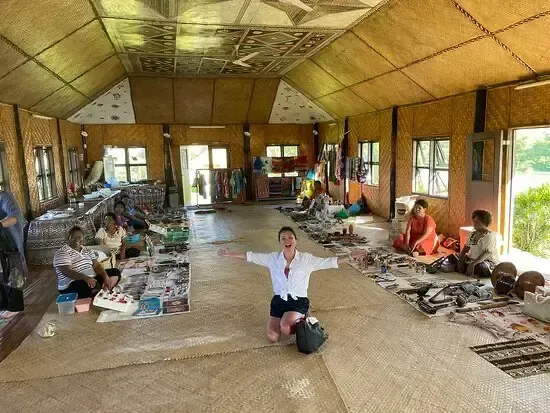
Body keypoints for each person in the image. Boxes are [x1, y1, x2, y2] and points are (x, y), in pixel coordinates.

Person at [218, 226, 365, 343]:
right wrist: (229, 255)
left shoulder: (306, 259)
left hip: (298, 301)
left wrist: (351, 256)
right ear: (280, 242)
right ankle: (286, 317)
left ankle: (302, 317)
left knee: (286, 329)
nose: (287, 240)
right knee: (272, 337)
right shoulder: (273, 259)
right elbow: (250, 256)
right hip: (279, 301)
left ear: (295, 240)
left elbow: (330, 262)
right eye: (283, 238)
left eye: (290, 237)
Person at [53, 226, 121, 298]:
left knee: (115, 272)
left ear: (83, 238)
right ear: (68, 239)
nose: (76, 239)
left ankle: (104, 291)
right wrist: (86, 278)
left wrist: (105, 277)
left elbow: (96, 266)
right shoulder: (62, 253)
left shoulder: (87, 250)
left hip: (92, 279)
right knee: (83, 286)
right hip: (72, 283)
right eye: (72, 237)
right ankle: (97, 293)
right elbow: (67, 272)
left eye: (79, 237)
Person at [0, 191, 27, 317]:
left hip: (7, 242)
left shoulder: (5, 197)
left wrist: (0, 224)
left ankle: (14, 307)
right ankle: (4, 304)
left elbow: (15, 216)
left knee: (12, 272)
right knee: (1, 274)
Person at [457, 210, 500, 278]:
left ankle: (469, 269)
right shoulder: (472, 234)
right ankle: (467, 268)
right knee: (454, 258)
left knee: (479, 268)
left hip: (487, 262)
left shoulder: (489, 236)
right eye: (473, 221)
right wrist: (460, 260)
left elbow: (486, 253)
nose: (474, 223)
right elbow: (466, 248)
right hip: (474, 260)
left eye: (477, 222)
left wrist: (473, 264)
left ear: (484, 223)